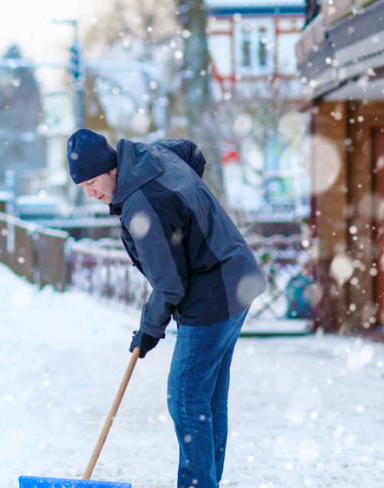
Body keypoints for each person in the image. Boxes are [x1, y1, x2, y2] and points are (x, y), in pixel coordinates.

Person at [67, 129, 265, 488]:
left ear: (112, 169)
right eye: (83, 188)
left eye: (93, 182)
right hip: (237, 277)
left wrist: (148, 329)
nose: (91, 193)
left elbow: (170, 284)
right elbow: (191, 152)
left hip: (214, 294)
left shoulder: (142, 204)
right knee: (206, 398)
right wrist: (188, 211)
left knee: (186, 395)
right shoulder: (151, 157)